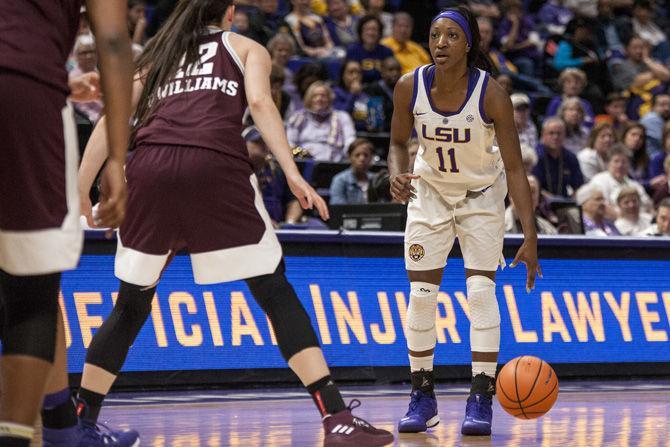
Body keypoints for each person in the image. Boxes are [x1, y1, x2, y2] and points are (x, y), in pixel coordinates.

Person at [75, 3, 394, 446]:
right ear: (227, 14)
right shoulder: (244, 46)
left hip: (149, 169)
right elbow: (261, 103)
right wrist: (293, 172)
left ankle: (80, 421)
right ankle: (335, 416)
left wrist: (80, 186)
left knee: (130, 305)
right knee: (273, 290)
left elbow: (113, 118)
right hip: (214, 166)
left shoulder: (157, 53)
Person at [387, 6, 540, 437]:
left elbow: (514, 169)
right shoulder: (408, 86)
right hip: (429, 195)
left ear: (468, 44)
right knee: (420, 295)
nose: (440, 43)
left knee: (479, 291)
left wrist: (530, 235)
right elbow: (398, 143)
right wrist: (394, 173)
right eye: (435, 35)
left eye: (451, 36)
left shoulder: (491, 94)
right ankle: (422, 395)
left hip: (480, 198)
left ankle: (481, 396)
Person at [0, 1, 134, 446]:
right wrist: (116, 157)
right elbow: (113, 40)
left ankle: (61, 427)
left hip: (30, 77)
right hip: (25, 91)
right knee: (31, 293)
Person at [286, 81, 356, 161]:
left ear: (329, 99)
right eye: (315, 96)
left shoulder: (342, 117)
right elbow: (290, 143)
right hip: (304, 163)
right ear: (309, 99)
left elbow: (350, 141)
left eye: (323, 96)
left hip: (335, 164)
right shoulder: (297, 117)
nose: (319, 99)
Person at [532, 117, 584, 198]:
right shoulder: (535, 156)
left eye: (559, 133)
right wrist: (552, 199)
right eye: (551, 133)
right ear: (543, 135)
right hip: (539, 202)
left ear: (564, 135)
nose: (555, 137)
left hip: (564, 203)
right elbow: (533, 187)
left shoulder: (570, 157)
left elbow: (578, 186)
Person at [346, 15, 394, 83]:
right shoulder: (352, 51)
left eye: (374, 29)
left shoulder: (387, 52)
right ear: (361, 31)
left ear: (379, 33)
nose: (370, 33)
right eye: (367, 29)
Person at [329, 138, 375, 204]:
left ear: (371, 158)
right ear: (349, 157)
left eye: (366, 155)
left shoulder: (376, 180)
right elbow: (337, 208)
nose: (362, 159)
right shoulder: (340, 180)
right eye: (357, 155)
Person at [364, 56, 402, 132]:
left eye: (398, 70)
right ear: (382, 72)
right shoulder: (373, 89)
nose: (395, 73)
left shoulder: (405, 89)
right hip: (380, 133)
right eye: (391, 70)